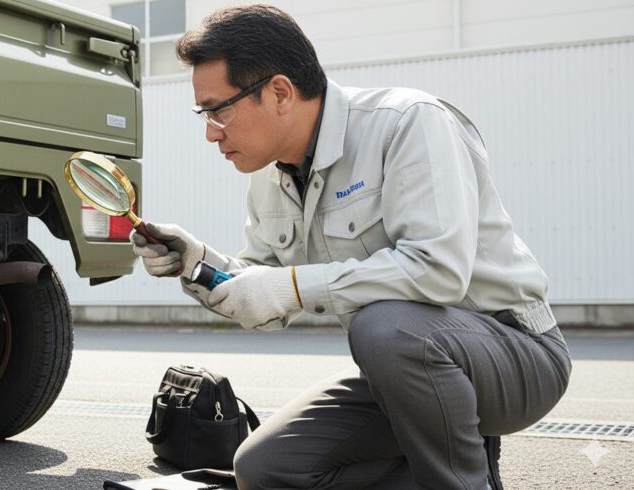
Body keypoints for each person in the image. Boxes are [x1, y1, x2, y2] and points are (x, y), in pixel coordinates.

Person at [130, 5, 571, 489]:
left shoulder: (407, 123)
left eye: (218, 110)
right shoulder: (269, 176)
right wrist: (197, 264)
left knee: (384, 328)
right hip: (404, 372)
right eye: (204, 114)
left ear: (278, 92)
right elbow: (264, 294)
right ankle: (431, 464)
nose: (212, 131)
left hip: (515, 354)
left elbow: (439, 271)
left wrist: (292, 285)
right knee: (264, 469)